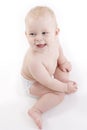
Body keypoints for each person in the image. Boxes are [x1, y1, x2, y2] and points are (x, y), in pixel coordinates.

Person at [21, 6, 78, 130]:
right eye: (32, 34)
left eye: (44, 33)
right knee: (59, 94)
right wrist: (65, 87)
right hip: (34, 83)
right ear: (26, 35)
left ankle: (62, 81)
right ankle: (36, 110)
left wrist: (62, 62)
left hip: (47, 73)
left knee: (63, 71)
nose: (38, 38)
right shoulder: (34, 61)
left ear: (55, 33)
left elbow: (59, 51)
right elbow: (48, 81)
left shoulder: (55, 40)